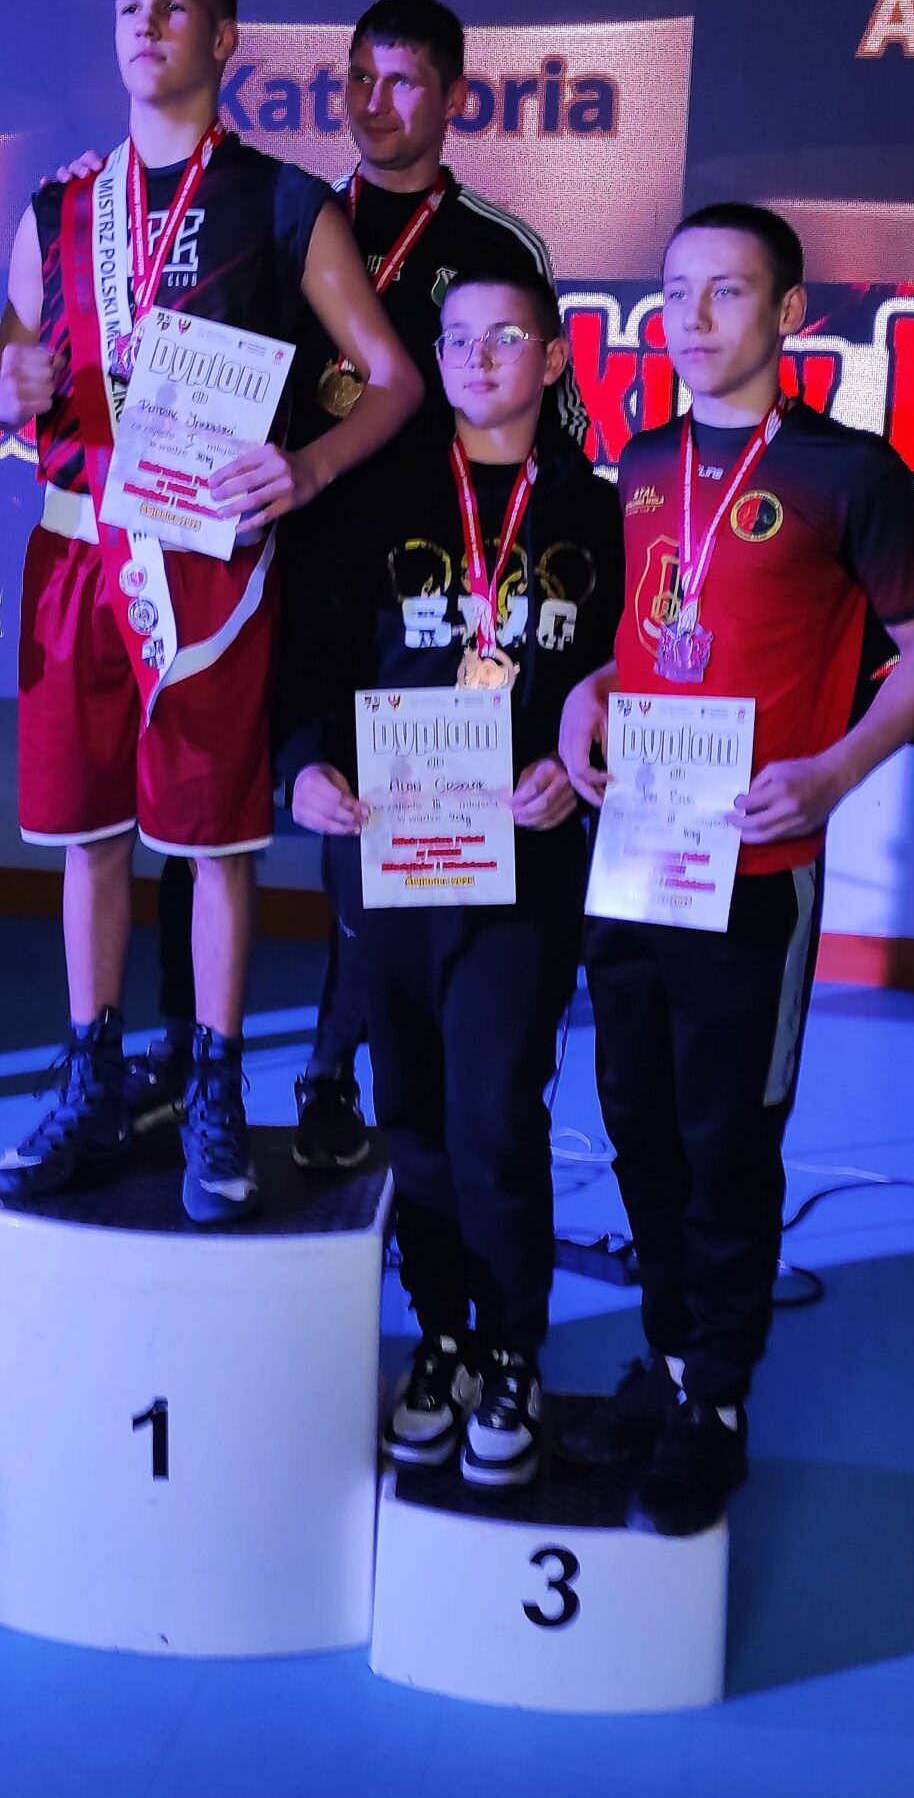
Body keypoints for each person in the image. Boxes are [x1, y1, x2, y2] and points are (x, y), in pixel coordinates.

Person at [0, 0, 420, 1224]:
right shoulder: (59, 207)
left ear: (223, 38)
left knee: (218, 843)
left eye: (173, 8)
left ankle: (216, 1087)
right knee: (88, 839)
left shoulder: (282, 201)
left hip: (206, 569)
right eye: (129, 6)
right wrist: (7, 386)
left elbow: (394, 380)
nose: (146, 26)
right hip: (75, 553)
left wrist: (310, 467)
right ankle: (91, 1077)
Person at [555, 203, 914, 1531]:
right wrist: (591, 693)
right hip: (638, 857)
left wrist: (837, 770)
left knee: (728, 1142)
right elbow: (654, 637)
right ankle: (670, 1359)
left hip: (757, 865)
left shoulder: (847, 472)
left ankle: (716, 1402)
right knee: (636, 1121)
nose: (691, 316)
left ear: (788, 311)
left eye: (726, 291)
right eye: (675, 290)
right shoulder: (641, 461)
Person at [139, 0, 591, 1174]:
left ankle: (334, 1069)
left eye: (401, 82)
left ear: (454, 98)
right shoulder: (287, 215)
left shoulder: (496, 250)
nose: (373, 103)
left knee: (376, 830)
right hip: (254, 559)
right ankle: (188, 1058)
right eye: (357, 78)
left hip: (421, 588)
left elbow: (553, 444)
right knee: (207, 817)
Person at [280, 265, 620, 1485]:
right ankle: (440, 1338)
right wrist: (302, 769)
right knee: (411, 1117)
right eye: (458, 339)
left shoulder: (600, 513)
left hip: (523, 866)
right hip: (389, 854)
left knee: (493, 1114)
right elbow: (310, 659)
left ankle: (512, 1347)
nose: (479, 358)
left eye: (506, 337)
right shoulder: (376, 498)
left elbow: (629, 678)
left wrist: (578, 769)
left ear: (555, 357)